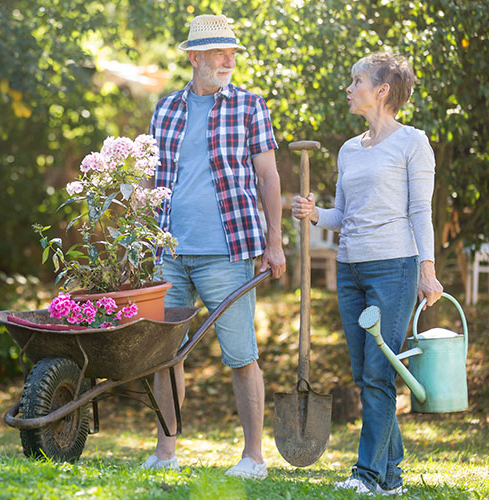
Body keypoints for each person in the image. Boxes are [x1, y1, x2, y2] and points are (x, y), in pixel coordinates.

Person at [140, 14, 286, 479]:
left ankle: (253, 459)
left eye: (232, 53)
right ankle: (165, 452)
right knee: (165, 356)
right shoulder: (165, 109)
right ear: (194, 57)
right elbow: (152, 179)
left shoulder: (249, 106)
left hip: (229, 249)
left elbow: (268, 177)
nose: (229, 60)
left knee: (241, 356)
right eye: (219, 53)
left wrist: (275, 242)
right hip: (171, 253)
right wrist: (142, 238)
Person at [292, 53, 444, 495]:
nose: (349, 88)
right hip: (350, 268)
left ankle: (367, 474)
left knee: (379, 374)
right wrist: (315, 213)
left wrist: (427, 271)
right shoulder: (349, 149)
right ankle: (391, 477)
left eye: (356, 80)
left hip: (394, 268)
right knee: (366, 376)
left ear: (382, 91)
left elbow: (420, 210)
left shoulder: (413, 142)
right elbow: (344, 213)